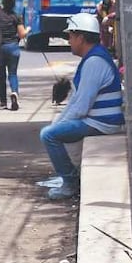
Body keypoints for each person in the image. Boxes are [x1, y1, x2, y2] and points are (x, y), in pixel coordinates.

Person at [39, 13, 124, 201]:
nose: (68, 41)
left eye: (70, 36)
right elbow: (76, 100)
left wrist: (57, 126)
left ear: (81, 37)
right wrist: (60, 120)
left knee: (49, 135)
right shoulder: (93, 58)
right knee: (54, 128)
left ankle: (70, 183)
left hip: (101, 123)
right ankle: (70, 177)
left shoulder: (94, 62)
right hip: (95, 119)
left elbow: (81, 106)